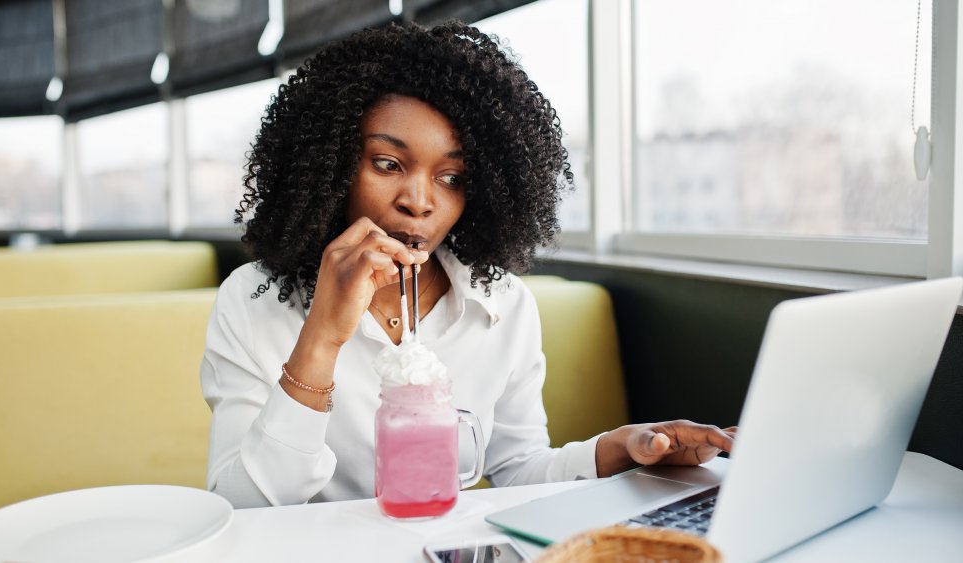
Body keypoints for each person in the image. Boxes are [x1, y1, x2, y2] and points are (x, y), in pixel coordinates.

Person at [201, 20, 735, 509]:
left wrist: (614, 451)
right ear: (332, 165)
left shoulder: (503, 306)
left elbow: (516, 470)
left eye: (451, 178)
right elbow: (242, 509)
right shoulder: (251, 302)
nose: (419, 201)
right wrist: (320, 337)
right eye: (388, 164)